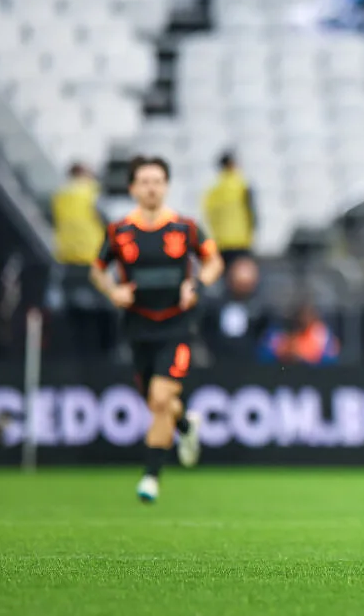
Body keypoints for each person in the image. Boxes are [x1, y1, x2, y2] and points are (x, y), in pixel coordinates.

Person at [90, 155, 224, 503]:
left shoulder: (185, 227)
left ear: (166, 186)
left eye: (157, 181)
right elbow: (97, 269)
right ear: (133, 188)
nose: (151, 188)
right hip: (138, 327)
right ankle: (184, 426)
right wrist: (112, 290)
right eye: (145, 182)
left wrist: (196, 285)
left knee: (162, 398)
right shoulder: (119, 231)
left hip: (177, 327)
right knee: (157, 403)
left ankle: (151, 477)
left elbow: (213, 261)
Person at [51, 162, 113, 355]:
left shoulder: (60, 197)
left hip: (67, 263)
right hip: (93, 262)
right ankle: (106, 357)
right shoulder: (93, 194)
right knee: (106, 313)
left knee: (72, 314)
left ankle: (75, 357)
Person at [202, 151, 255, 270]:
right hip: (241, 242)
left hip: (220, 243)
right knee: (242, 282)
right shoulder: (243, 186)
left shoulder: (212, 190)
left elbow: (208, 216)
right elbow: (252, 213)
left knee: (225, 280)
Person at [259, 301, 340, 366]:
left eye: (307, 316)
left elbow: (331, 359)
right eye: (300, 316)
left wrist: (302, 357)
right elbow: (263, 356)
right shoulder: (278, 333)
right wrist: (283, 354)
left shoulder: (322, 333)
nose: (303, 320)